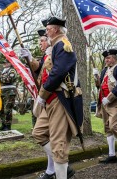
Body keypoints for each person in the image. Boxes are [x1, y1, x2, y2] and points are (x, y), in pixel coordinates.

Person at [21, 16, 83, 179]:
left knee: (58, 144)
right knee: (39, 133)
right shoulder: (55, 47)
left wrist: (41, 96)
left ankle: (61, 168)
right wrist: (29, 58)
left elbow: (58, 72)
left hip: (59, 99)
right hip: (50, 99)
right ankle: (63, 165)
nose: (46, 33)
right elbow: (43, 71)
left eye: (48, 30)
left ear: (55, 29)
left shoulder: (63, 45)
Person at [93, 49, 117, 165]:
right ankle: (112, 154)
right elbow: (99, 86)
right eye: (105, 58)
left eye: (108, 58)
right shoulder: (104, 71)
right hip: (104, 103)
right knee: (107, 128)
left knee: (114, 127)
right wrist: (96, 77)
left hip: (114, 102)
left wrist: (109, 97)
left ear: (114, 58)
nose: (106, 60)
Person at [0, 59, 17, 131]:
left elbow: (8, 80)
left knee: (7, 109)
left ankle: (8, 126)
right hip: (2, 91)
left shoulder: (12, 71)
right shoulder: (1, 71)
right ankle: (3, 124)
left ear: (10, 63)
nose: (4, 64)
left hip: (9, 91)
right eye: (4, 62)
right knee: (1, 109)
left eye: (6, 63)